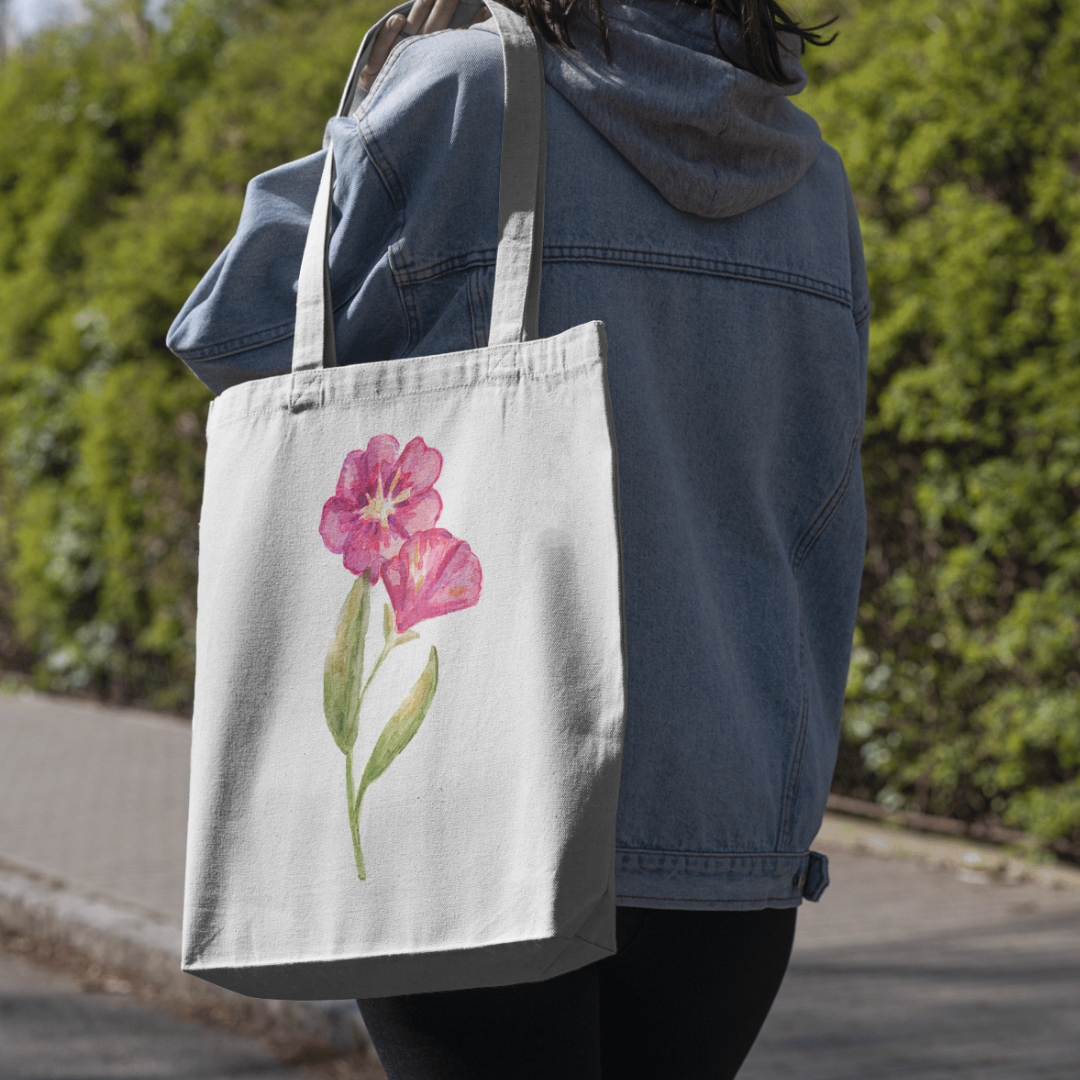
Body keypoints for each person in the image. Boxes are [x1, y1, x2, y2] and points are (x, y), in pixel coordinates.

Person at [168, 0, 868, 1074]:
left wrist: (381, 91)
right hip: (730, 838)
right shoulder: (811, 181)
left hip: (480, 809)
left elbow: (239, 331)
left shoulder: (458, 93)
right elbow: (813, 510)